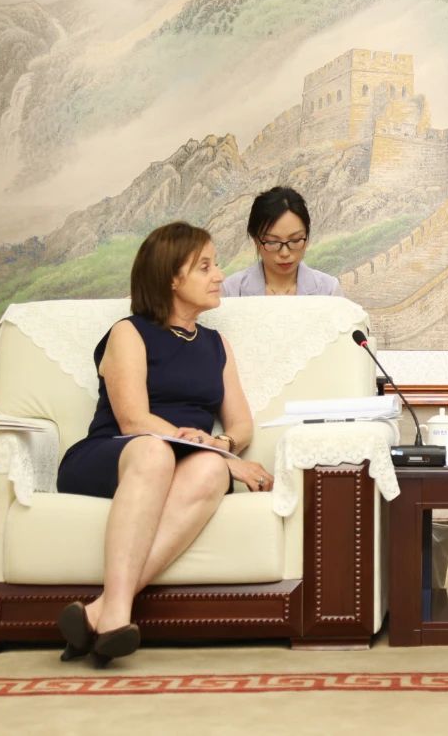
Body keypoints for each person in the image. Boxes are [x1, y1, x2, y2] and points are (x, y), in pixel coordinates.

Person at [56, 222, 271, 667]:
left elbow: (241, 424)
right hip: (115, 452)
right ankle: (114, 614)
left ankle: (104, 613)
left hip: (184, 456)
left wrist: (222, 445)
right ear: (172, 278)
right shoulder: (128, 332)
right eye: (205, 267)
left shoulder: (216, 345)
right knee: (157, 451)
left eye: (216, 265)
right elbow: (134, 420)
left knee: (210, 471)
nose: (220, 275)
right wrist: (214, 451)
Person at [222, 186, 343, 297]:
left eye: (295, 240)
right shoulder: (231, 291)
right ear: (256, 241)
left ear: (307, 237)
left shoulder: (329, 290)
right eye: (272, 242)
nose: (285, 253)